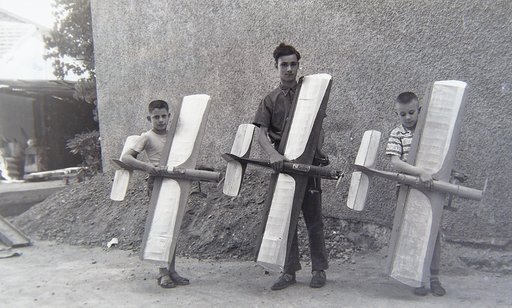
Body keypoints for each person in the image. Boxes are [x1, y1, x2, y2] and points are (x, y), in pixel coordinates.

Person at [253, 43, 329, 291]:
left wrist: (318, 151)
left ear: (298, 65)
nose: (289, 69)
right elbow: (261, 135)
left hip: (308, 167)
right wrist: (274, 155)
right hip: (283, 166)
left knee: (313, 219)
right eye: (284, 65)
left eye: (293, 64)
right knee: (286, 220)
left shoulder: (309, 94)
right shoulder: (270, 99)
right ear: (276, 67)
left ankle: (319, 269)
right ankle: (289, 271)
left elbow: (319, 126)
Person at [121, 99, 189, 289]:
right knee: (161, 228)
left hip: (175, 183)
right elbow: (126, 157)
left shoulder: (174, 136)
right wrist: (146, 167)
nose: (160, 120)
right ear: (149, 118)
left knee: (173, 227)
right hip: (157, 183)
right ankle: (163, 274)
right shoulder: (146, 137)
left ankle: (173, 271)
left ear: (169, 116)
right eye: (156, 117)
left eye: (163, 116)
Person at [385, 91, 446, 296]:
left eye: (411, 112)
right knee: (411, 234)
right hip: (407, 190)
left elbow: (437, 161)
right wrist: (420, 172)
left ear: (419, 111)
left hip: (429, 189)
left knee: (432, 232)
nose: (408, 118)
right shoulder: (397, 134)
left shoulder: (428, 133)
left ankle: (434, 278)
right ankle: (416, 278)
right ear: (398, 114)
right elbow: (395, 162)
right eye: (403, 114)